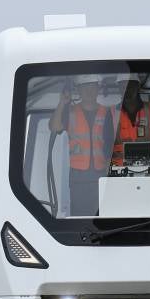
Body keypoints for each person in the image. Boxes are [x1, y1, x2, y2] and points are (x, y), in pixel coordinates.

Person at [49, 74, 114, 216]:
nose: (89, 91)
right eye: (85, 87)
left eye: (92, 87)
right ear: (78, 90)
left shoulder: (107, 112)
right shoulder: (70, 111)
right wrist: (62, 103)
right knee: (80, 218)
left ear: (98, 89)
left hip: (100, 176)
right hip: (78, 178)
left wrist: (110, 178)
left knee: (101, 218)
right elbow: (54, 127)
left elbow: (110, 145)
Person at [111, 78, 150, 171]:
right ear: (119, 88)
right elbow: (106, 147)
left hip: (147, 171)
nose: (126, 88)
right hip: (119, 173)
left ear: (138, 86)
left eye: (130, 85)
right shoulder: (112, 113)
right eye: (122, 85)